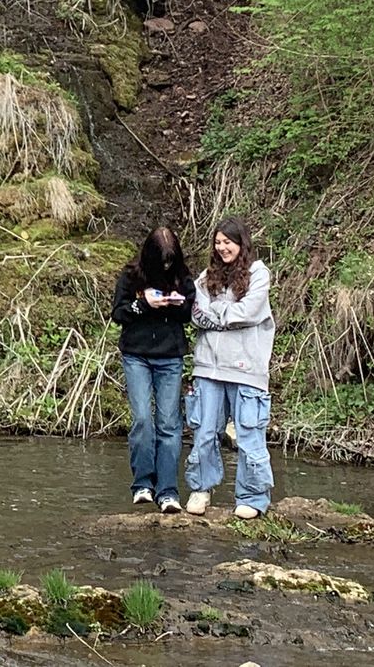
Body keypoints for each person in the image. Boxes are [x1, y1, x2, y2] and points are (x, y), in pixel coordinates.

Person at [186, 216, 276, 519]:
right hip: (208, 368)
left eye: (228, 242)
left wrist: (218, 312)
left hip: (247, 369)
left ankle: (252, 497)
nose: (222, 247)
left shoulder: (258, 274)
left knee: (249, 434)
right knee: (204, 432)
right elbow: (195, 313)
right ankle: (201, 489)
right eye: (218, 242)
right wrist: (227, 316)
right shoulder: (205, 276)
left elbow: (249, 312)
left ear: (241, 243)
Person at [111, 226, 195, 513]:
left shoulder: (182, 276)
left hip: (170, 357)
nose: (166, 266)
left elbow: (188, 314)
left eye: (170, 261)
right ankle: (143, 484)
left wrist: (172, 303)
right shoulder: (130, 275)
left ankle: (168, 491)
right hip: (137, 355)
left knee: (169, 423)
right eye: (162, 261)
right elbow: (118, 314)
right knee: (143, 419)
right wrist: (143, 304)